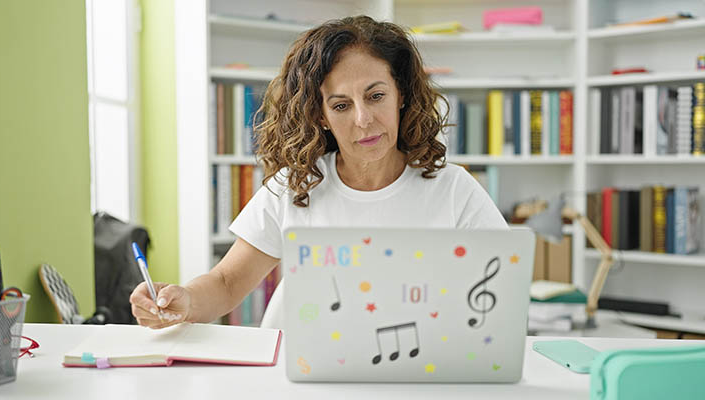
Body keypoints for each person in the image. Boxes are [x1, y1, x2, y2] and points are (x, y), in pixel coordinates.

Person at [130, 15, 507, 330]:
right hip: (296, 377)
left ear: (402, 93)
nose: (363, 120)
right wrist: (186, 300)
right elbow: (228, 283)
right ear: (321, 116)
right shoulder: (295, 186)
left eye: (376, 96)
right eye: (341, 105)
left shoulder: (455, 189)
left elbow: (502, 288)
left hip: (413, 370)